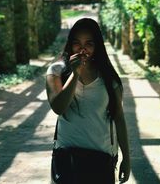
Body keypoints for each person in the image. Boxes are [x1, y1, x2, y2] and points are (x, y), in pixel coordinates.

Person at [46, 18, 130, 184]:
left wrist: (127, 159)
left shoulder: (108, 77)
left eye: (89, 43)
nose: (82, 49)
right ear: (70, 44)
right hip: (67, 159)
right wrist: (75, 74)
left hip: (101, 159)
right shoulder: (56, 71)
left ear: (97, 46)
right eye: (77, 43)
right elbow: (58, 107)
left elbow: (119, 118)